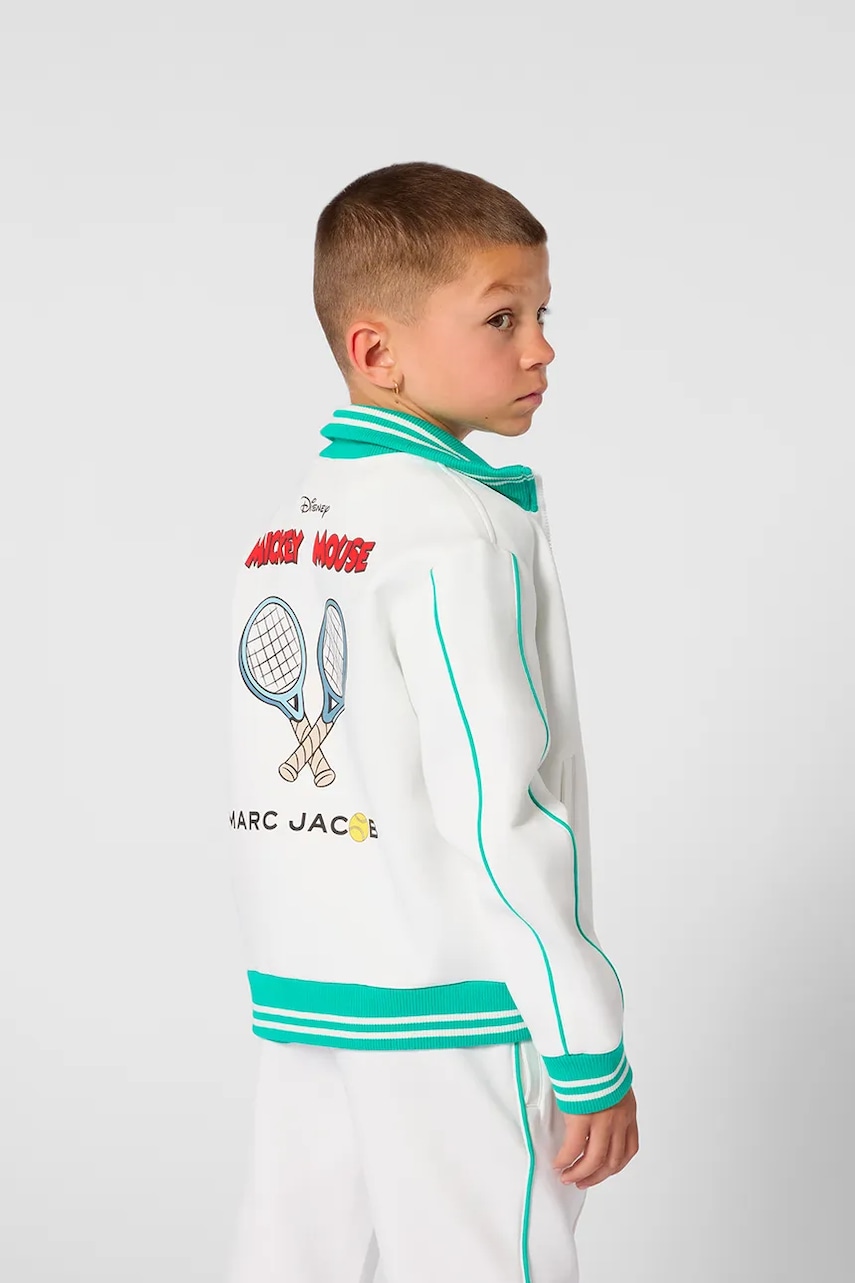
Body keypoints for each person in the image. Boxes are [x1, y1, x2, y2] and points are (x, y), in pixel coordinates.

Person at [226, 160, 639, 1283]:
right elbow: (500, 808)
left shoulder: (284, 526)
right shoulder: (458, 528)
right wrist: (584, 1036)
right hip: (453, 1003)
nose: (541, 347)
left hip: (308, 992)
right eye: (501, 318)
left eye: (542, 313)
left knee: (295, 1257)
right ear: (378, 351)